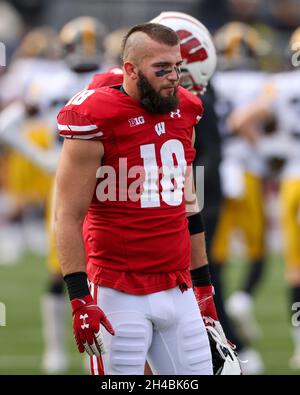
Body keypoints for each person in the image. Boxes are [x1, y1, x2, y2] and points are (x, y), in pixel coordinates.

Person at [55, 22, 216, 375]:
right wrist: (79, 297)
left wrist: (204, 287)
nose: (174, 77)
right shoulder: (96, 117)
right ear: (130, 70)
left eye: (176, 67)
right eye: (161, 69)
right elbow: (67, 215)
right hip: (117, 289)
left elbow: (190, 207)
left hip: (178, 286)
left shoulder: (187, 110)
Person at [228, 26, 300, 370]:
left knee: (295, 269)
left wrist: (270, 149)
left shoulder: (277, 86)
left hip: (291, 180)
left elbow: (240, 119)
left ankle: (299, 345)